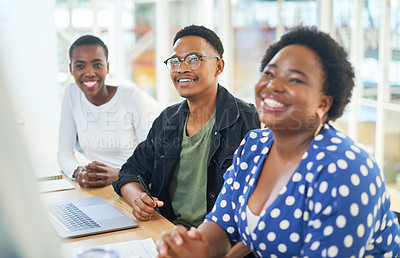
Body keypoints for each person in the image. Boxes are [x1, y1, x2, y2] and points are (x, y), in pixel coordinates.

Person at [156, 26, 400, 257]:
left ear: (323, 103)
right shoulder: (254, 145)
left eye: (295, 79)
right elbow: (221, 224)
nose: (273, 86)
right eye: (269, 74)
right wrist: (194, 246)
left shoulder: (344, 169)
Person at [112, 25, 260, 228]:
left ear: (219, 67)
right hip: (168, 230)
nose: (181, 69)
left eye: (193, 59)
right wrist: (138, 199)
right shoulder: (167, 120)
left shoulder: (248, 121)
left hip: (218, 241)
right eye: (174, 61)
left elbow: (259, 205)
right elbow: (130, 171)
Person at [57, 35, 159, 188]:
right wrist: (79, 172)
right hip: (101, 188)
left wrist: (119, 174)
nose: (89, 72)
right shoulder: (72, 94)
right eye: (80, 66)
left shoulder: (130, 97)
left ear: (107, 67)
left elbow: (154, 159)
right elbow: (64, 152)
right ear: (71, 68)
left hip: (136, 186)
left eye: (97, 65)